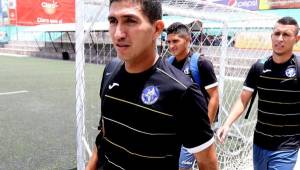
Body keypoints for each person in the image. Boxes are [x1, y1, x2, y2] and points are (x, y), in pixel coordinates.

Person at [86, 0, 219, 170]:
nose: (118, 33)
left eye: (130, 21)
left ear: (157, 29)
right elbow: (104, 136)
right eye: (113, 21)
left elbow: (208, 162)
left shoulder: (183, 91)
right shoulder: (110, 71)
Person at [217, 16, 300, 170]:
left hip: (286, 146)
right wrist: (227, 124)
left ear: (297, 38)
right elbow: (243, 100)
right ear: (271, 35)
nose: (280, 39)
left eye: (286, 34)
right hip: (260, 142)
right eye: (277, 33)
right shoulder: (259, 67)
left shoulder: (298, 68)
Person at [166, 22, 219, 170]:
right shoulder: (168, 64)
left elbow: (214, 96)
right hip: (177, 127)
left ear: (188, 40)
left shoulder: (201, 64)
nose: (171, 46)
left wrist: (205, 127)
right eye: (168, 42)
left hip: (196, 127)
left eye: (175, 41)